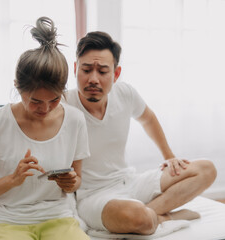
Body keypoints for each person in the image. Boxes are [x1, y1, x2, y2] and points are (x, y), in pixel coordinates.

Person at [65, 31, 217, 235]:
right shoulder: (63, 104)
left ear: (116, 74)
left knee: (206, 169)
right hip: (93, 196)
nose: (93, 79)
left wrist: (169, 157)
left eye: (102, 71)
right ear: (75, 69)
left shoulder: (125, 93)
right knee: (138, 218)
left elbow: (148, 119)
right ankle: (163, 216)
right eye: (86, 70)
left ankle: (154, 214)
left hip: (129, 181)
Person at [0, 17, 90, 240]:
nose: (46, 109)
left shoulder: (76, 121)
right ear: (17, 86)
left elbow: (77, 180)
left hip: (57, 218)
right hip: (5, 222)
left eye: (54, 100)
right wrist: (11, 180)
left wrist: (71, 182)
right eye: (35, 101)